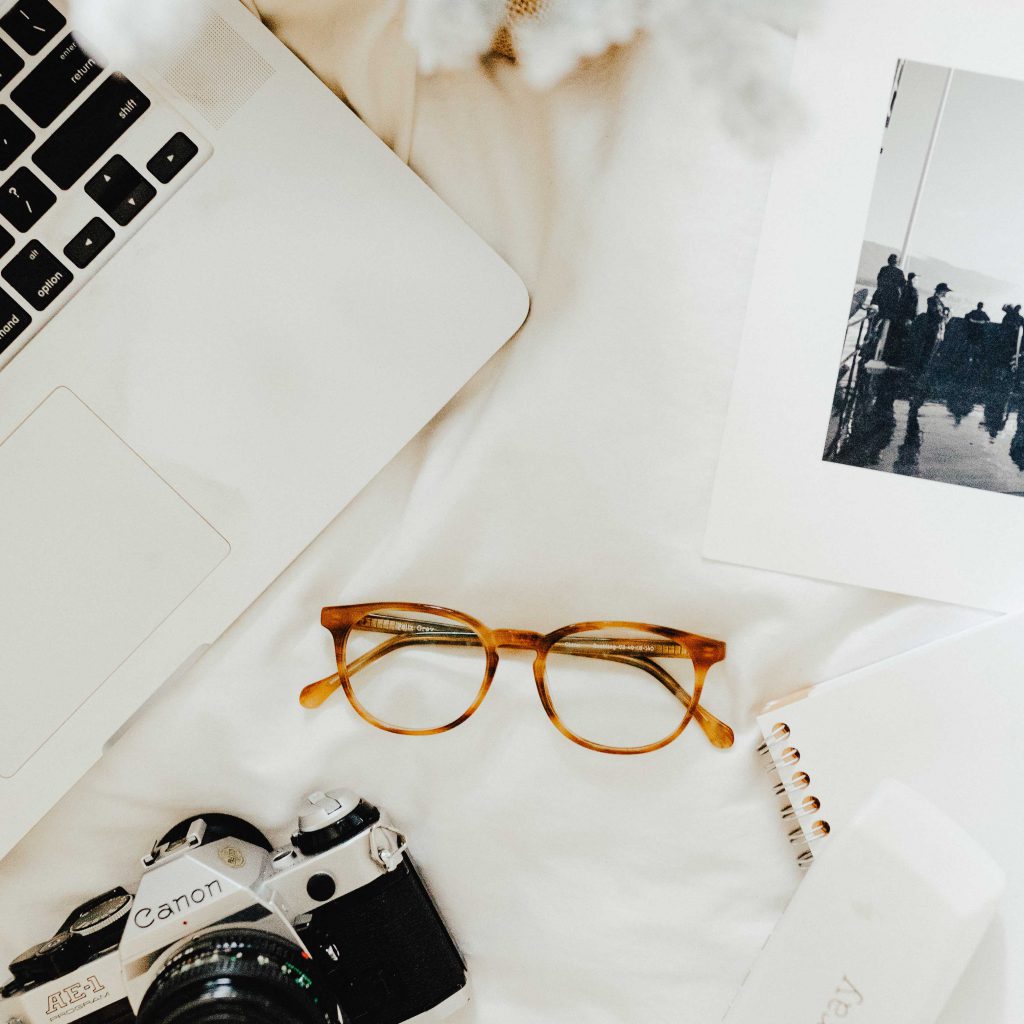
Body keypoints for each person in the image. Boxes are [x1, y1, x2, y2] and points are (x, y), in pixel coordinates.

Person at [964, 301, 990, 369]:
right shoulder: (983, 314)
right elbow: (988, 320)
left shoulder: (973, 312)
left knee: (970, 347)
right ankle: (975, 361)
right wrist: (981, 322)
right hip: (979, 333)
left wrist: (972, 321)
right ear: (982, 307)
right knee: (977, 347)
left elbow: (966, 316)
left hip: (971, 332)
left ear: (977, 306)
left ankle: (969, 360)